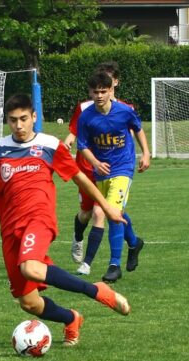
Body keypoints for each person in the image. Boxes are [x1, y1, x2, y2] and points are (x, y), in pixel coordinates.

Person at [0, 94, 130, 347]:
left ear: (34, 117)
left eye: (24, 119)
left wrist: (108, 207)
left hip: (39, 219)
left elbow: (80, 178)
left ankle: (97, 290)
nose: (19, 125)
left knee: (31, 267)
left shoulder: (50, 145)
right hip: (10, 231)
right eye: (13, 120)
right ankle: (71, 318)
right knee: (29, 303)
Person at [77, 72, 150, 283]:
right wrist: (96, 163)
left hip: (123, 168)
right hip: (102, 171)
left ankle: (114, 265)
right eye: (95, 92)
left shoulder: (125, 111)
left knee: (112, 212)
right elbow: (82, 146)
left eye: (103, 91)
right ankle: (134, 242)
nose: (99, 96)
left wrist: (145, 153)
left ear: (111, 91)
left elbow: (138, 129)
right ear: (90, 92)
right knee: (113, 211)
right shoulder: (86, 116)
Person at [64, 61, 133, 276]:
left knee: (102, 212)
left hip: (115, 168)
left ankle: (94, 264)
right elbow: (76, 131)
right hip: (86, 168)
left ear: (114, 84)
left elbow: (129, 133)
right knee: (86, 213)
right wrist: (67, 141)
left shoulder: (124, 109)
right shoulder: (85, 108)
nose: (102, 90)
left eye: (109, 82)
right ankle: (78, 237)